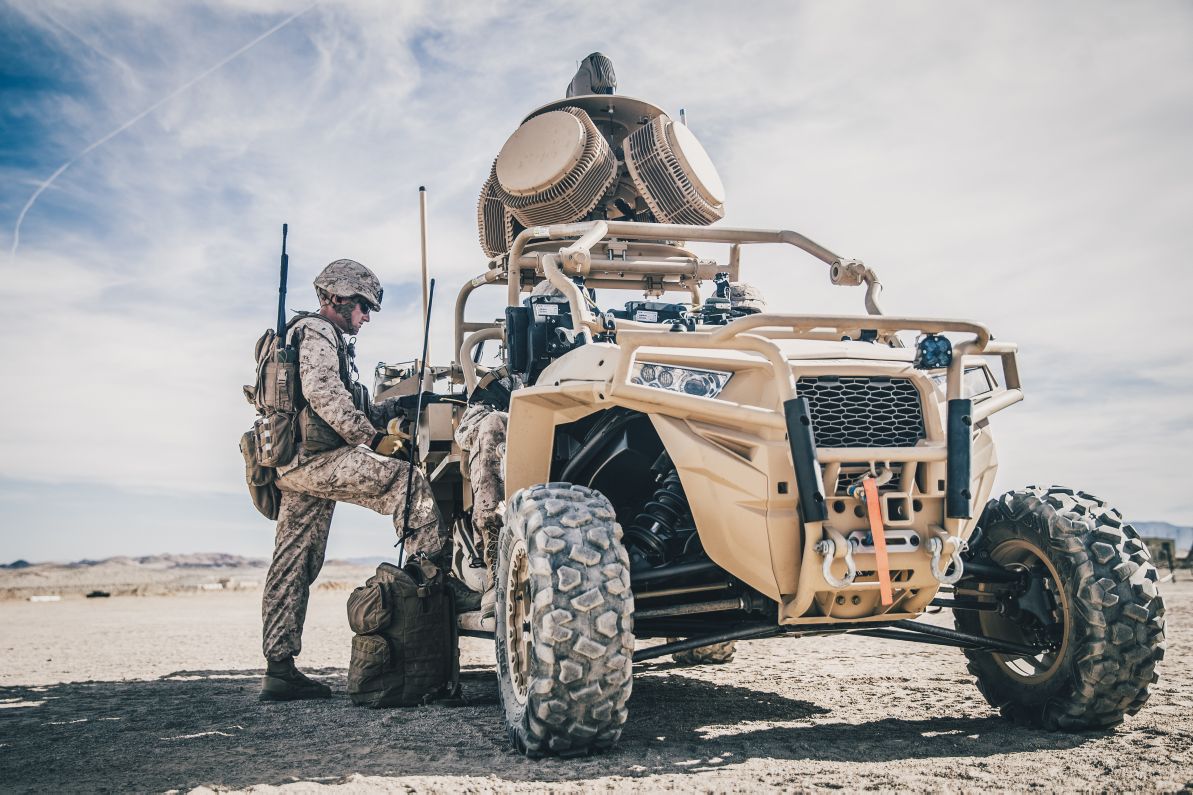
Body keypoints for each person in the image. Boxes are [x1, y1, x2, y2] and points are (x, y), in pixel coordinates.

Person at [260, 258, 451, 702]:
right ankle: (424, 617)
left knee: (295, 561)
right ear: (339, 299)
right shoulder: (320, 332)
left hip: (293, 464)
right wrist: (373, 438)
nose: (366, 317)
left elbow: (338, 400)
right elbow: (326, 396)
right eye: (364, 307)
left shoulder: (305, 335)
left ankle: (279, 668)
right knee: (409, 488)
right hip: (318, 459)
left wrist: (388, 413)